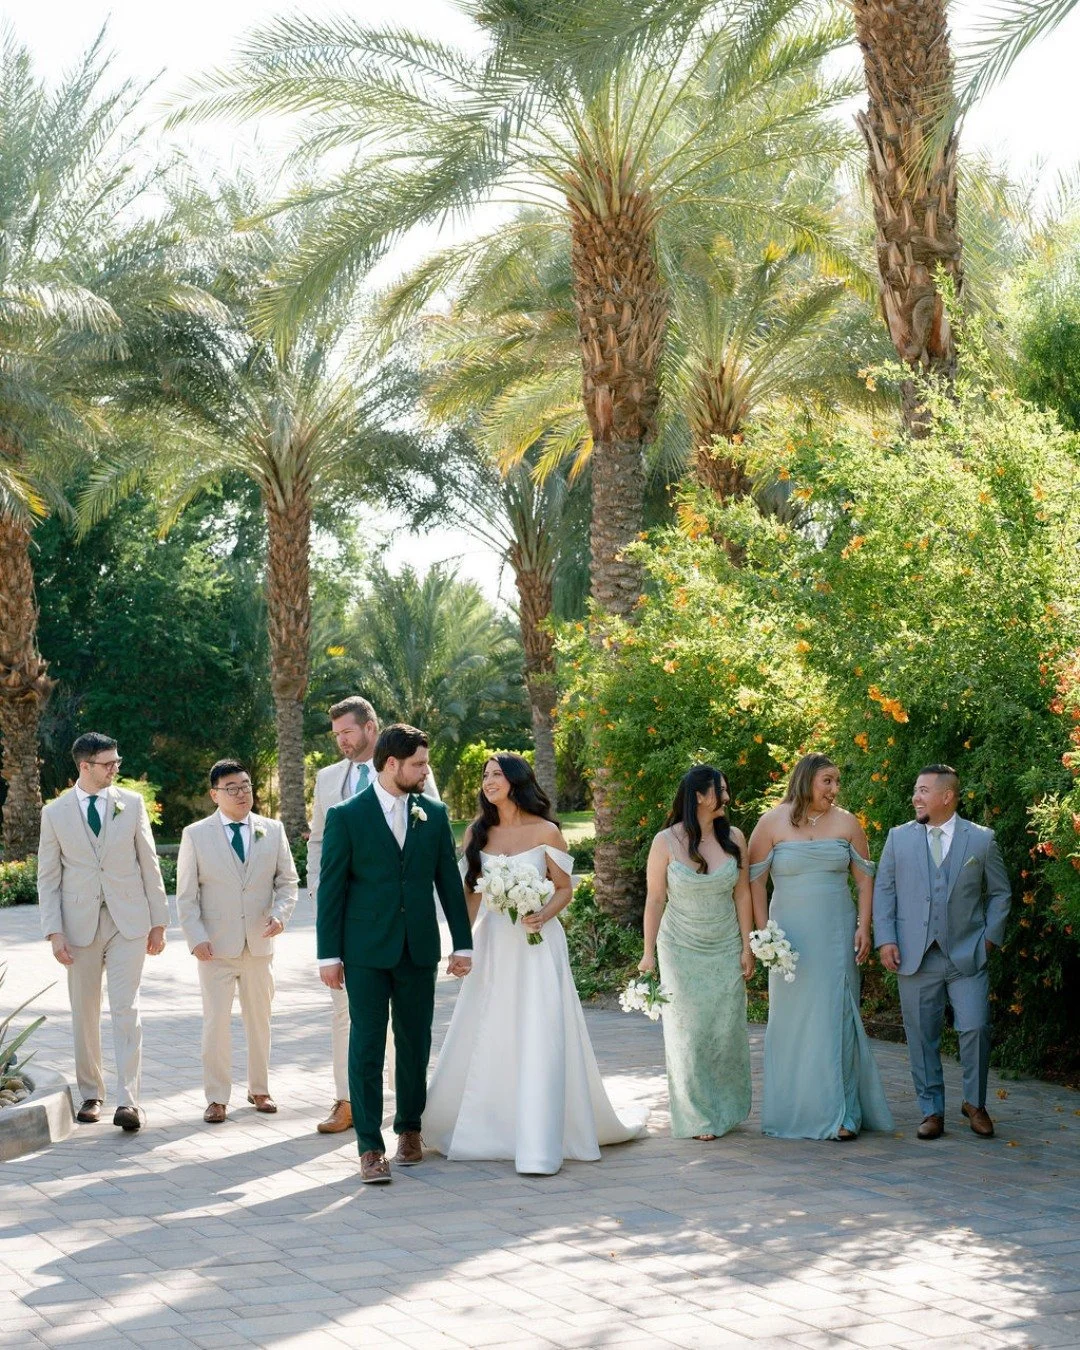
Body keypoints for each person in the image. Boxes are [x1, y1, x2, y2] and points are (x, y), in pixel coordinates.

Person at [424, 753, 647, 1174]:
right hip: (493, 944)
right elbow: (471, 894)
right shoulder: (478, 831)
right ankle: (489, 1128)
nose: (488, 781)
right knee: (490, 1026)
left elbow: (565, 887)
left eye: (496, 774)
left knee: (539, 1028)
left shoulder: (546, 831)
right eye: (485, 775)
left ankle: (541, 1137)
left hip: (537, 943)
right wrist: (461, 946)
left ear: (516, 780)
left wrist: (543, 914)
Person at [315, 723, 473, 1184]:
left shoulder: (435, 814)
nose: (425, 771)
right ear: (391, 764)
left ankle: (409, 1128)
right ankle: (369, 1147)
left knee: (415, 1042)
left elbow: (448, 882)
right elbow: (332, 891)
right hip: (363, 951)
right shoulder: (346, 815)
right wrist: (329, 956)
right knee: (365, 1045)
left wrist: (462, 944)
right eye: (419, 763)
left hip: (418, 948)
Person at [307, 695, 439, 1135]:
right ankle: (348, 1101)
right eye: (337, 735)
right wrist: (319, 889)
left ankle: (406, 1116)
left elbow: (430, 830)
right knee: (349, 1015)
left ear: (369, 728)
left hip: (402, 922)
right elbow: (318, 841)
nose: (341, 741)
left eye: (347, 732)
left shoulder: (412, 767)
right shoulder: (328, 780)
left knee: (405, 1027)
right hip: (350, 916)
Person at [748, 753, 893, 1140]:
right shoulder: (770, 823)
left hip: (835, 932)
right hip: (788, 938)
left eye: (837, 782)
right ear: (807, 779)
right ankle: (796, 1108)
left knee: (837, 1016)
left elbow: (864, 881)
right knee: (793, 1021)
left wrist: (865, 926)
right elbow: (755, 883)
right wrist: (764, 935)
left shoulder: (848, 822)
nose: (834, 789)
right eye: (827, 781)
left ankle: (844, 1113)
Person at [36, 733, 169, 1132]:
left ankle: (130, 1100)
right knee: (85, 1011)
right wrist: (53, 932)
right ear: (85, 766)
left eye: (117, 761)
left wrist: (159, 920)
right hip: (78, 927)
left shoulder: (132, 804)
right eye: (108, 763)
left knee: (126, 1008)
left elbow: (149, 862)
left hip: (129, 921)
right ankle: (92, 1093)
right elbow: (48, 878)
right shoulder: (54, 813)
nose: (116, 768)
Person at [873, 764, 1011, 1140]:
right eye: (916, 791)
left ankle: (975, 1103)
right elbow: (885, 891)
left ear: (946, 796)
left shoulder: (981, 840)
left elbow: (1000, 892)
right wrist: (886, 939)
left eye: (922, 791)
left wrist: (989, 938)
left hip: (967, 955)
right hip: (914, 956)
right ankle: (931, 1110)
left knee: (976, 1027)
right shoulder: (898, 838)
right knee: (921, 1035)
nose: (915, 797)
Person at [176, 759, 298, 1124]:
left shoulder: (272, 830)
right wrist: (195, 937)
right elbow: (185, 895)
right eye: (232, 788)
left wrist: (281, 914)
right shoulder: (195, 835)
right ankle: (216, 1097)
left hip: (259, 944)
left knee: (260, 1021)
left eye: (245, 785)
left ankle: (259, 1089)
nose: (242, 793)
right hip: (214, 948)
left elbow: (287, 882)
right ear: (215, 794)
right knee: (216, 1023)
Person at [639, 766, 753, 1141]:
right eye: (720, 790)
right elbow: (655, 899)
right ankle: (698, 1115)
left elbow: (742, 894)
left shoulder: (735, 836)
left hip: (723, 944)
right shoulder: (665, 841)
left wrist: (747, 945)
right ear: (700, 796)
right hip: (680, 946)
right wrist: (648, 953)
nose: (727, 797)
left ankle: (726, 1106)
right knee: (688, 1031)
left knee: (724, 1028)